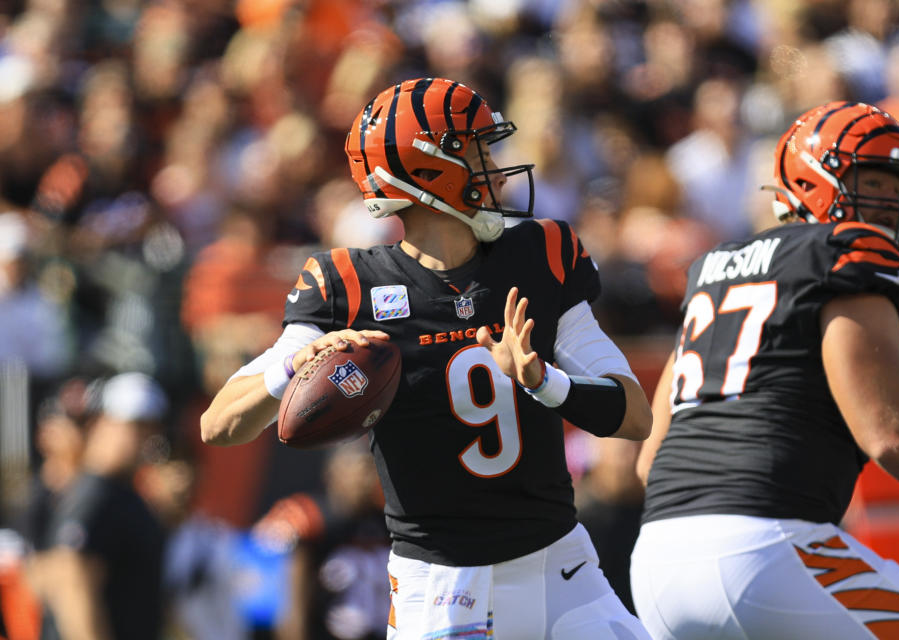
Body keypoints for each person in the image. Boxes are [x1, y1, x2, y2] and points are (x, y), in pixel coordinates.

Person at [201, 77, 653, 639]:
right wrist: (294, 364)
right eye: (477, 148)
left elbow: (635, 415)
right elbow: (218, 424)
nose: (495, 162)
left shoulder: (541, 252)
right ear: (429, 169)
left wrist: (544, 380)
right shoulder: (348, 285)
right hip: (440, 585)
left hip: (559, 565)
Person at [629, 100, 899, 639]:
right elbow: (893, 435)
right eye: (871, 182)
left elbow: (650, 462)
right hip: (767, 546)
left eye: (896, 189)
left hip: (657, 564)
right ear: (811, 181)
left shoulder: (714, 269)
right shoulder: (846, 258)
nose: (889, 204)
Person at [27, 372, 168, 640]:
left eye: (149, 427)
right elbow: (72, 582)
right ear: (101, 422)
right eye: (132, 425)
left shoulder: (119, 493)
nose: (142, 437)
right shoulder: (94, 492)